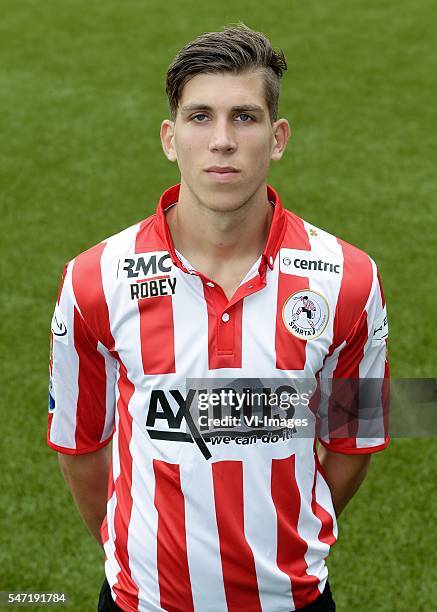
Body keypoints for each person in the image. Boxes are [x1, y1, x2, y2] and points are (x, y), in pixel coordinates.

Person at [47, 24, 390, 612]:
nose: (223, 141)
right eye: (200, 117)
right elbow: (80, 444)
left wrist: (294, 535)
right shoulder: (93, 280)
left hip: (294, 600)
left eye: (246, 117)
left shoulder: (352, 279)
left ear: (278, 137)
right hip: (141, 602)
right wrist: (131, 548)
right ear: (169, 138)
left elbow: (354, 438)